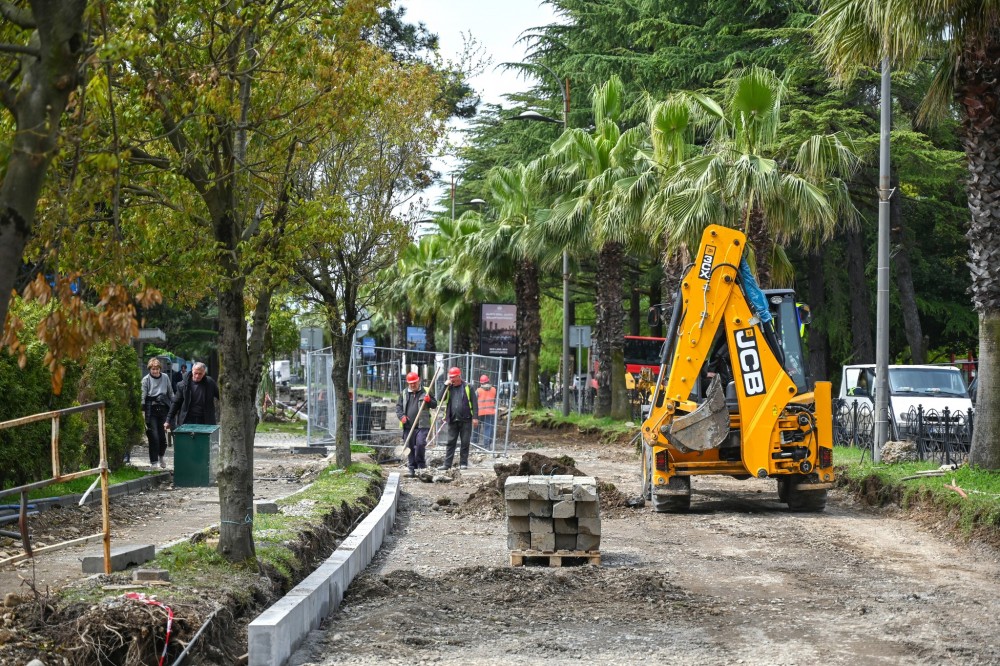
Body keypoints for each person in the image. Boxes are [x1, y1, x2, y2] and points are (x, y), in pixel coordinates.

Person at [395, 371, 437, 476]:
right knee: (409, 447)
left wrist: (429, 400)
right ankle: (412, 468)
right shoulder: (404, 393)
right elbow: (398, 407)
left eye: (414, 382)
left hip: (422, 425)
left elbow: (434, 404)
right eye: (410, 383)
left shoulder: (426, 391)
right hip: (408, 426)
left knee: (420, 444)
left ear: (418, 381)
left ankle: (421, 467)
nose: (413, 385)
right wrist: (401, 417)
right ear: (408, 383)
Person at [438, 367, 478, 470]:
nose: (452, 379)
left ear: (459, 376)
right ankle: (447, 465)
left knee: (465, 442)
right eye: (450, 377)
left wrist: (475, 417)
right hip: (452, 419)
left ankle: (463, 463)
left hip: (466, 419)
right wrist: (444, 386)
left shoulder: (468, 387)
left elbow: (474, 402)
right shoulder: (448, 387)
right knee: (450, 442)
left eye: (453, 377)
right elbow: (439, 398)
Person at [166, 362, 220, 431]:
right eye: (195, 373)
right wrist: (168, 419)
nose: (197, 376)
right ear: (192, 371)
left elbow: (221, 397)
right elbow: (176, 403)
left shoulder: (210, 383)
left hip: (205, 420)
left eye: (200, 374)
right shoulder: (182, 385)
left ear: (204, 373)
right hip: (187, 419)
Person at [141, 358, 174, 469]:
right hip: (151, 409)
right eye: (153, 369)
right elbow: (143, 396)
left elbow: (170, 392)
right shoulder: (146, 380)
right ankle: (154, 462)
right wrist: (142, 411)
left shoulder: (165, 377)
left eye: (157, 369)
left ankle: (161, 456)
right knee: (153, 437)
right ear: (150, 369)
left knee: (163, 438)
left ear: (160, 369)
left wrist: (175, 405)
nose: (155, 371)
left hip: (163, 408)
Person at [476, 374, 497, 450]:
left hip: (479, 413)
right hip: (490, 412)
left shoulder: (478, 391)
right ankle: (487, 446)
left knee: (476, 428)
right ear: (488, 380)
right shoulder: (494, 389)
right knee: (488, 429)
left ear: (481, 383)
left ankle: (474, 443)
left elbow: (474, 401)